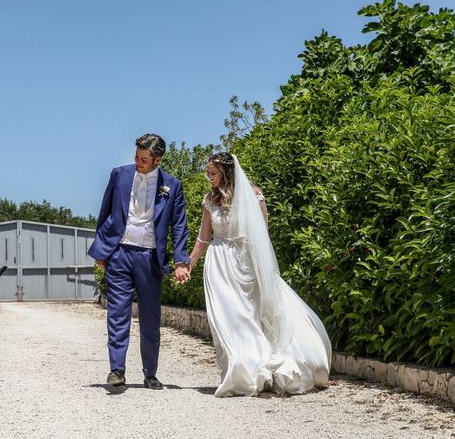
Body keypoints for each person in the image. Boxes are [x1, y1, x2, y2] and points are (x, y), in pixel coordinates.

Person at [186, 152, 331, 397]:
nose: (209, 177)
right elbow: (203, 238)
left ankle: (258, 368)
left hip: (245, 263)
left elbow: (262, 237)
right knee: (225, 318)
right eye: (208, 172)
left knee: (249, 316)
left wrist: (261, 269)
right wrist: (187, 264)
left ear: (227, 173)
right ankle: (237, 371)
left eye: (212, 172)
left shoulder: (254, 196)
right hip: (219, 264)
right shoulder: (210, 200)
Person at [88, 134, 191, 389]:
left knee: (150, 317)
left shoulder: (172, 186)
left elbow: (179, 226)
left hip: (149, 257)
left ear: (158, 159)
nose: (137, 161)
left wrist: (181, 261)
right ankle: (117, 370)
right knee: (117, 314)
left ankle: (150, 373)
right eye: (136, 156)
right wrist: (102, 251)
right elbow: (105, 213)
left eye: (143, 159)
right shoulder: (119, 175)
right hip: (120, 253)